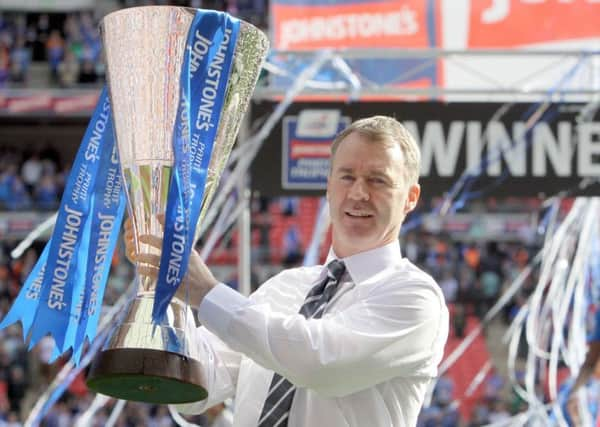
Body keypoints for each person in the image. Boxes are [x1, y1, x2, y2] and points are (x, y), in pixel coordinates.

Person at [128, 115, 449, 426]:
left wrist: (206, 291)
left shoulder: (416, 298)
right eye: (347, 176)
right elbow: (196, 386)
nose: (358, 193)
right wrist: (167, 284)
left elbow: (318, 363)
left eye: (378, 180)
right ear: (329, 185)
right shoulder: (283, 287)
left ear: (410, 197)